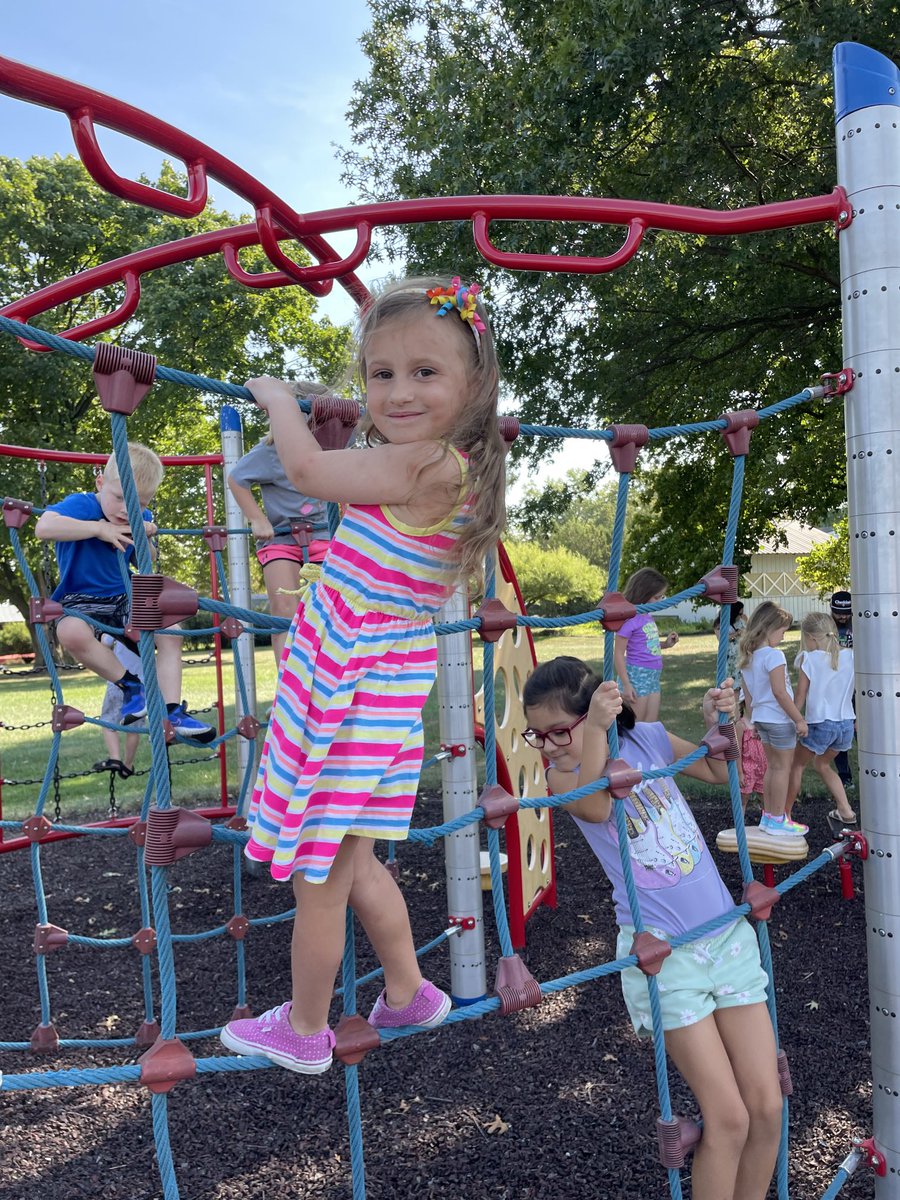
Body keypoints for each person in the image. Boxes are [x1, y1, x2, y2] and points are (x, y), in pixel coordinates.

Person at [220, 276, 506, 1073]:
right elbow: (344, 486)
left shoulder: (429, 463)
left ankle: (305, 1029)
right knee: (354, 859)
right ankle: (410, 991)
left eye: (425, 372)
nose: (398, 391)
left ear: (475, 384)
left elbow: (307, 475)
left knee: (321, 871)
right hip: (373, 683)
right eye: (381, 374)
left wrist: (277, 399)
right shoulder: (445, 464)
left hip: (354, 685)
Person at [522, 657, 782, 1200]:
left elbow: (717, 770)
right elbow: (595, 807)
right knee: (729, 1118)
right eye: (537, 735)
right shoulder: (562, 776)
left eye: (557, 732)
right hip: (665, 959)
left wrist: (722, 724)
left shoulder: (652, 742)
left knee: (766, 1107)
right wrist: (588, 732)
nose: (547, 745)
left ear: (601, 709)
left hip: (727, 940)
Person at [34, 442, 215, 743]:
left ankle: (171, 710)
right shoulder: (83, 505)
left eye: (140, 503)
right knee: (69, 633)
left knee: (172, 633)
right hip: (81, 599)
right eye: (119, 497)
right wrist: (99, 529)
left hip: (125, 596)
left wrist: (146, 537)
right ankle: (131, 686)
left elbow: (146, 559)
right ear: (100, 483)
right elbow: (44, 527)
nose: (126, 509)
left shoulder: (136, 517)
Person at [227, 381, 337, 663]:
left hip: (323, 536)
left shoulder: (333, 447)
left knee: (334, 607)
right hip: (282, 539)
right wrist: (257, 519)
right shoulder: (270, 452)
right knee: (284, 607)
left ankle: (328, 677)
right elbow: (237, 479)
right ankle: (287, 686)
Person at [737, 602, 808, 837]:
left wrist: (754, 721)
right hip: (779, 720)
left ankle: (768, 817)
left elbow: (748, 697)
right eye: (783, 631)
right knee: (782, 769)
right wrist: (798, 719)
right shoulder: (773, 655)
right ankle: (778, 819)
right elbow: (780, 692)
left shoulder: (749, 658)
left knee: (771, 768)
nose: (783, 636)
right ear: (769, 628)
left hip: (762, 719)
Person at [786, 612, 856, 837]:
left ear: (811, 638)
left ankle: (784, 815)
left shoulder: (809, 658)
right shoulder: (852, 656)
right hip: (845, 725)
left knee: (796, 766)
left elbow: (800, 696)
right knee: (822, 764)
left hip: (820, 724)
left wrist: (793, 718)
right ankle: (845, 810)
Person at [613, 567, 679, 722]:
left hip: (653, 676)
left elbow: (647, 645)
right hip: (637, 676)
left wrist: (666, 644)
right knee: (636, 725)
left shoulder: (647, 616)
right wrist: (626, 684)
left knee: (650, 724)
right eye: (657, 597)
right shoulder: (629, 619)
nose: (660, 601)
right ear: (643, 592)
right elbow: (618, 653)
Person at [94, 636, 142, 779]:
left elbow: (104, 644)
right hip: (142, 684)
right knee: (134, 728)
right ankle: (128, 765)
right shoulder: (147, 627)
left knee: (108, 721)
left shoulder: (119, 624)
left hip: (119, 682)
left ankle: (115, 758)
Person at [829, 590, 854, 792]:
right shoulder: (826, 628)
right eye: (839, 613)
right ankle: (845, 777)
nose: (843, 617)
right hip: (838, 687)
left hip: (859, 686)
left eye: (847, 613)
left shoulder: (860, 624)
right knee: (841, 733)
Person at [736, 702, 766, 814]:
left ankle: (767, 823)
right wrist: (740, 772)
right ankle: (739, 827)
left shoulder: (761, 724)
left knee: (765, 798)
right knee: (743, 799)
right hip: (747, 768)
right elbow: (738, 748)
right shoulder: (741, 725)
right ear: (744, 705)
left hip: (763, 767)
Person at [713, 601, 746, 697]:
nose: (741, 615)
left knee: (743, 685)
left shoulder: (743, 620)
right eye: (739, 614)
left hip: (741, 655)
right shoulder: (720, 623)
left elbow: (750, 632)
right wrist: (736, 634)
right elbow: (721, 638)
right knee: (730, 685)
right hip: (728, 657)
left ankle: (742, 708)